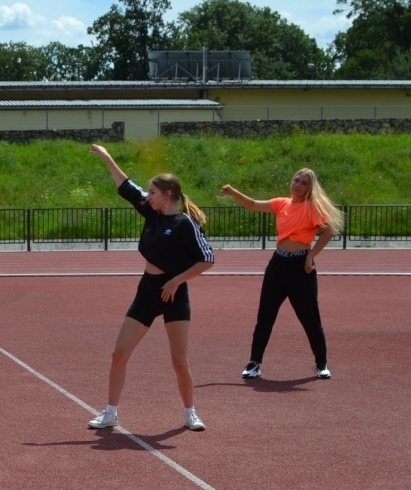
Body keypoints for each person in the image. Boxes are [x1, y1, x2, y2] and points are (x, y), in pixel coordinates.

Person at [86, 145, 215, 433]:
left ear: (167, 195)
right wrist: (107, 158)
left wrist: (176, 280)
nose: (148, 196)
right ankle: (110, 413)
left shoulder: (185, 223)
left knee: (179, 362)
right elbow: (126, 186)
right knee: (119, 353)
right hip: (147, 292)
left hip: (174, 294)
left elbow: (207, 259)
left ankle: (190, 412)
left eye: (153, 192)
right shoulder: (152, 213)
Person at [220, 169, 344, 380]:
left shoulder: (312, 207)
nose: (298, 185)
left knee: (310, 319)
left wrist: (311, 255)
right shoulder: (281, 203)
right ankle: (254, 363)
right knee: (265, 317)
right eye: (296, 180)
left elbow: (329, 231)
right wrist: (233, 192)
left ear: (310, 188)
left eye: (304, 183)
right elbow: (252, 204)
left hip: (300, 267)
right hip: (278, 265)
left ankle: (321, 363)